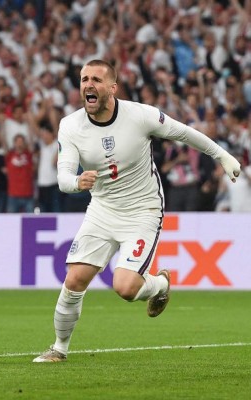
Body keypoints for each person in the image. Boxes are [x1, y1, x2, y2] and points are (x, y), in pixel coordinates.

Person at [34, 60, 241, 363]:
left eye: (96, 80)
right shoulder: (70, 125)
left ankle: (161, 284)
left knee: (126, 287)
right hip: (102, 209)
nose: (88, 85)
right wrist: (77, 181)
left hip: (143, 210)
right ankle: (59, 348)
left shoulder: (140, 115)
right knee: (75, 280)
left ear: (112, 87)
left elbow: (184, 133)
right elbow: (63, 176)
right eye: (83, 79)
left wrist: (223, 156)